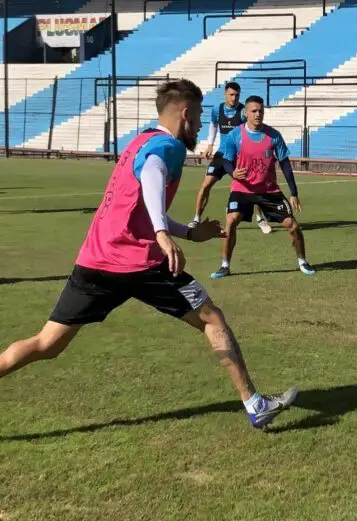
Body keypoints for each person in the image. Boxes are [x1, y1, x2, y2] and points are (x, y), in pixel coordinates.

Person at [0, 79, 296, 429]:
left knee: (46, 344)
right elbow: (154, 173)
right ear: (185, 114)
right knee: (211, 318)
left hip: (95, 260)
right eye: (199, 117)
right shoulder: (167, 147)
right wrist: (161, 234)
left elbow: (142, 203)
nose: (201, 125)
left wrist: (185, 231)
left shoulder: (138, 141)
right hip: (140, 263)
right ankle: (254, 403)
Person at [210, 95, 315, 279]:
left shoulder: (273, 135)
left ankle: (302, 261)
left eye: (261, 111)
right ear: (246, 113)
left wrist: (293, 192)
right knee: (231, 221)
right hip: (242, 189)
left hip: (269, 190)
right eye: (254, 111)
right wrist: (232, 173)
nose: (258, 114)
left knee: (292, 226)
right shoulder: (235, 135)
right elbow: (226, 160)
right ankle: (225, 265)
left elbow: (284, 163)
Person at [189, 81, 272, 235]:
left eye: (237, 95)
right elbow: (213, 124)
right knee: (206, 185)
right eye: (231, 94)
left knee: (253, 186)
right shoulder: (217, 109)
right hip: (222, 154)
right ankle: (196, 218)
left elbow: (253, 128)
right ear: (225, 94)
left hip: (240, 156)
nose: (234, 98)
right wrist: (210, 144)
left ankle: (260, 217)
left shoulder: (243, 112)